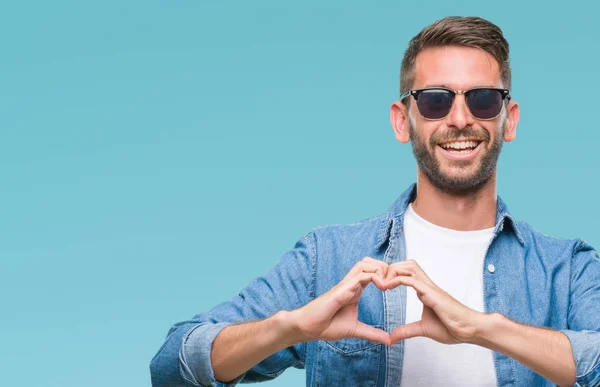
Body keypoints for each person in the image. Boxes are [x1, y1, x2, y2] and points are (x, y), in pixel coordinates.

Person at [149, 16, 600, 387]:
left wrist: (484, 328)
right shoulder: (328, 259)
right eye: (435, 101)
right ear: (402, 121)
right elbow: (173, 366)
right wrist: (289, 328)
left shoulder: (567, 268)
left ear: (509, 119)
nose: (460, 118)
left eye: (482, 100)